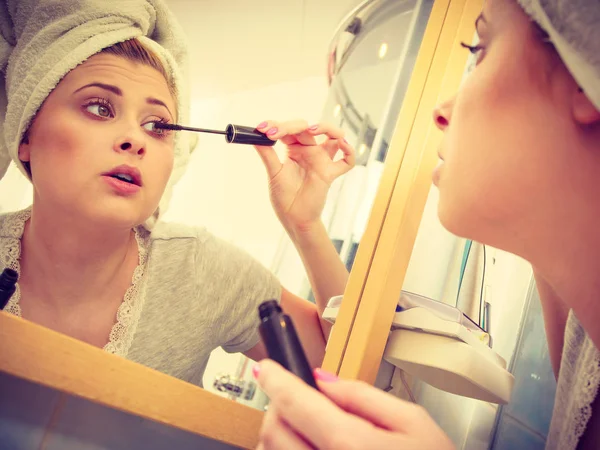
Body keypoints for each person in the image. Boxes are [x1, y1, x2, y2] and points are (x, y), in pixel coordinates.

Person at [253, 0, 600, 449]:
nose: (439, 110)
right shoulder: (582, 337)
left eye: (480, 49)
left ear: (586, 81)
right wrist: (306, 225)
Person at [0, 0, 354, 386]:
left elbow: (346, 369)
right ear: (26, 137)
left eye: (158, 126)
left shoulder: (201, 270)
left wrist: (305, 225)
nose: (136, 140)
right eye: (100, 108)